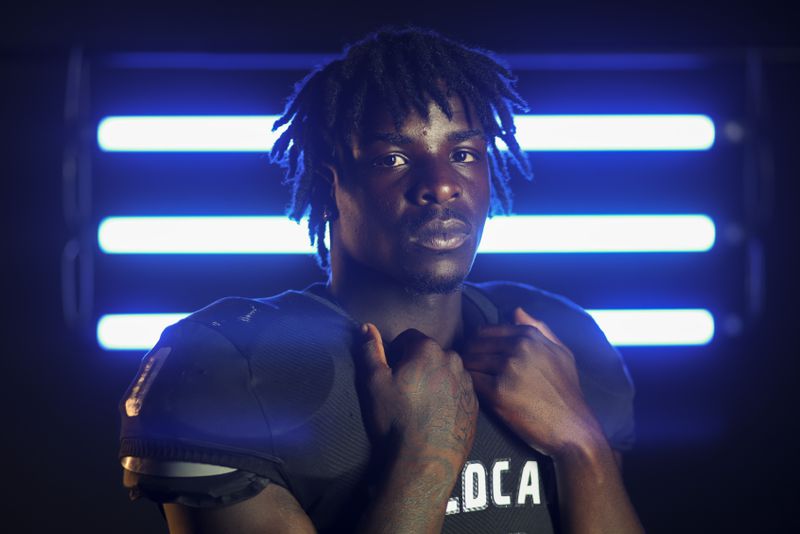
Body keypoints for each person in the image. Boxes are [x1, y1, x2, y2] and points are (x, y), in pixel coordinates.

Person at [118, 27, 644, 533]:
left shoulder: (560, 339)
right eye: (391, 158)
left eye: (462, 155)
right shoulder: (229, 365)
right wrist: (426, 460)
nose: (440, 185)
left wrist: (581, 444)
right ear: (332, 184)